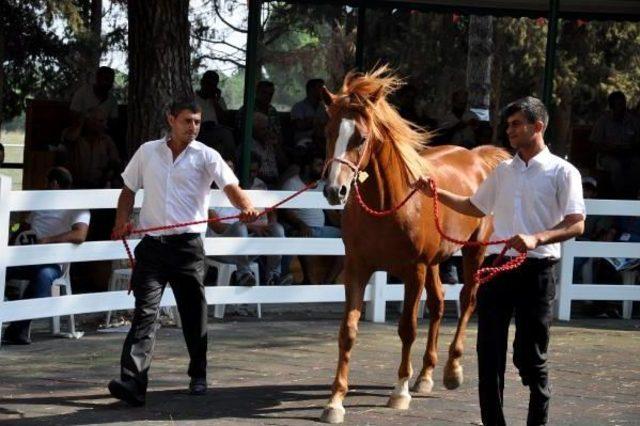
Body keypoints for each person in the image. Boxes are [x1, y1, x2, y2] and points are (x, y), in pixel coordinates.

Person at [414, 96, 585, 426]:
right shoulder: (502, 172)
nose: (509, 131)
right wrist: (436, 194)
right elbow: (474, 206)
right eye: (507, 125)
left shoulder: (563, 172)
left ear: (538, 127)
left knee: (529, 358)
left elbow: (576, 222)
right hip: (496, 267)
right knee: (488, 354)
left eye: (516, 124)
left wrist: (537, 237)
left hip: (537, 270)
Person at [108, 98, 259, 406]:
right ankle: (133, 382)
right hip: (152, 247)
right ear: (171, 119)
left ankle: (198, 374)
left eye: (197, 122)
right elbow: (127, 189)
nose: (193, 127)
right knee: (145, 314)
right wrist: (122, 221)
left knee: (193, 315)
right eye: (187, 121)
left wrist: (245, 207)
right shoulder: (147, 152)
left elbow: (230, 186)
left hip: (188, 247)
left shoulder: (207, 156)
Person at [2, 167, 90, 345]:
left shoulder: (77, 204)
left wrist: (49, 240)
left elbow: (79, 235)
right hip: (24, 256)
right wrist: (11, 241)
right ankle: (8, 305)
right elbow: (24, 227)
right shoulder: (41, 202)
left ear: (54, 184)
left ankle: (18, 328)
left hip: (51, 263)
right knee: (2, 268)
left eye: (47, 182)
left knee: (43, 276)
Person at [207, 155, 292, 286]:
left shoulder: (238, 194)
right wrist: (252, 227)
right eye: (224, 167)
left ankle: (274, 276)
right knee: (239, 227)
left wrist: (260, 227)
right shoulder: (208, 193)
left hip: (243, 248)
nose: (227, 171)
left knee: (277, 228)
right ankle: (244, 274)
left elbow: (250, 217)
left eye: (230, 168)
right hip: (220, 248)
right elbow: (216, 226)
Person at [280, 151, 343, 284]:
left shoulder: (322, 185)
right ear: (308, 167)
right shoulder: (292, 183)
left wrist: (345, 224)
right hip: (301, 229)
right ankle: (309, 281)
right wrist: (301, 225)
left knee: (347, 238)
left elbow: (331, 212)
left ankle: (328, 282)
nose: (322, 169)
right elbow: (286, 212)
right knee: (303, 236)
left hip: (322, 230)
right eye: (319, 165)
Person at [589, 91, 640, 198]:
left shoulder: (632, 121)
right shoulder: (603, 121)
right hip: (607, 156)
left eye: (623, 104)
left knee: (636, 164)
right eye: (619, 105)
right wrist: (610, 149)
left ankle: (632, 196)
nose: (622, 108)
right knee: (616, 167)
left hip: (628, 155)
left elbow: (637, 141)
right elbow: (595, 143)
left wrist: (630, 148)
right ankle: (619, 197)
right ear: (612, 106)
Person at [64, 107, 121, 188]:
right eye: (100, 121)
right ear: (89, 122)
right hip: (77, 186)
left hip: (99, 186)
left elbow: (115, 162)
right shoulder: (75, 138)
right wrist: (81, 123)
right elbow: (69, 139)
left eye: (105, 121)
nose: (104, 125)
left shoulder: (106, 140)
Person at [195, 70, 235, 161]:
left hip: (215, 131)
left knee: (227, 134)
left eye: (213, 85)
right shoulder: (194, 98)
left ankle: (230, 164)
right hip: (199, 132)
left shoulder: (218, 101)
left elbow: (224, 121)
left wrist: (215, 101)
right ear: (202, 83)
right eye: (208, 84)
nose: (210, 87)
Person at [290, 78, 328, 149]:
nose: (324, 92)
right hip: (305, 141)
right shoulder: (298, 107)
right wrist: (315, 122)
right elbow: (299, 125)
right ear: (311, 90)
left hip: (323, 140)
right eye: (320, 88)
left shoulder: (324, 108)